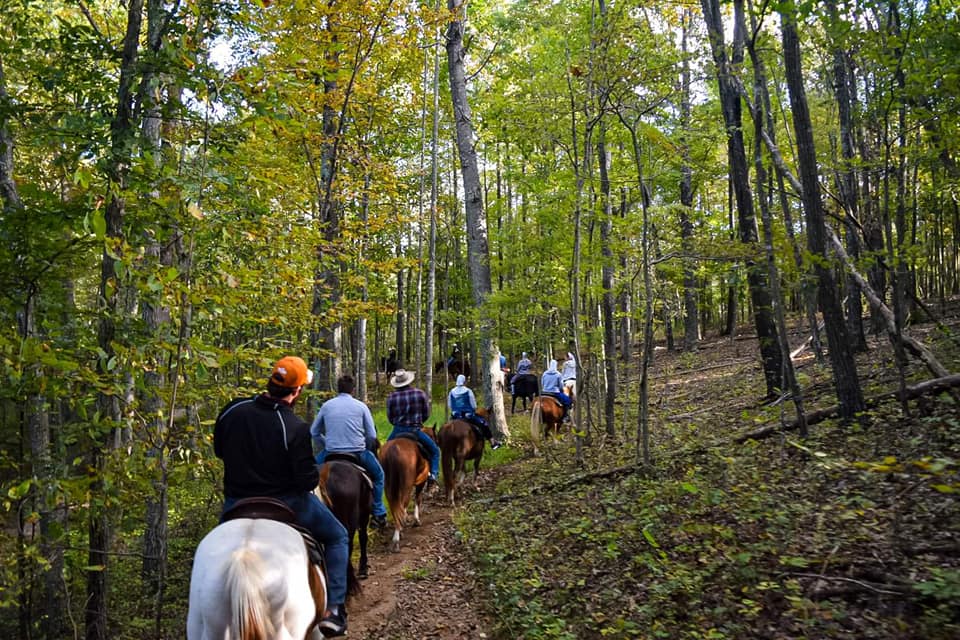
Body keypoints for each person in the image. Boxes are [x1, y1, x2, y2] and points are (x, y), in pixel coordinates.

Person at [214, 355, 349, 637]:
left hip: (235, 503)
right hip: (287, 503)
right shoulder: (295, 427)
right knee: (337, 536)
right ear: (297, 391)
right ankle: (334, 609)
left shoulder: (232, 410)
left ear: (271, 380)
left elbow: (219, 450)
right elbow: (307, 480)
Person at [311, 374, 388, 530]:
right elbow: (372, 435)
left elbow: (314, 432)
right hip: (357, 453)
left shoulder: (327, 406)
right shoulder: (361, 406)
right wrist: (363, 445)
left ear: (337, 388)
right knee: (379, 475)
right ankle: (378, 510)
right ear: (353, 389)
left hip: (330, 453)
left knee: (310, 475)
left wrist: (327, 443)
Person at [386, 368, 440, 485]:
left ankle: (385, 476)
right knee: (435, 451)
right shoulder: (420, 394)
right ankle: (434, 474)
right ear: (409, 381)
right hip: (415, 430)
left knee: (384, 452)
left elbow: (390, 418)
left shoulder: (391, 397)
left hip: (397, 430)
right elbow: (426, 414)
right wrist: (418, 421)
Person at [447, 374, 500, 449]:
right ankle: (493, 443)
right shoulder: (468, 391)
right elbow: (474, 405)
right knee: (483, 424)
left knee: (446, 427)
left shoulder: (451, 392)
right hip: (468, 416)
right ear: (464, 381)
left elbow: (449, 405)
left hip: (455, 416)